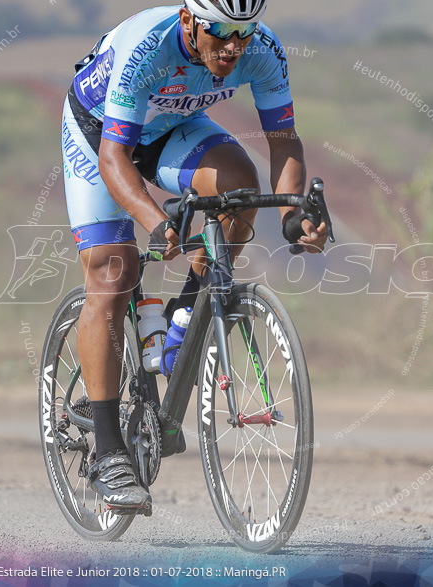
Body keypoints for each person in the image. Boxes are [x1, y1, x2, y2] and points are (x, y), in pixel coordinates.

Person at [61, 0, 328, 513]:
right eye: (220, 32)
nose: (233, 47)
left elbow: (283, 139)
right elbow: (115, 157)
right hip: (100, 133)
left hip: (169, 128)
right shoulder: (148, 48)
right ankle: (110, 452)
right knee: (114, 270)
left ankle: (186, 311)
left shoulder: (263, 50)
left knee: (238, 189)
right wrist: (157, 223)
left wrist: (295, 215)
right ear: (189, 21)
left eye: (243, 34)